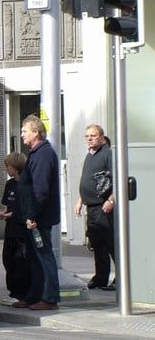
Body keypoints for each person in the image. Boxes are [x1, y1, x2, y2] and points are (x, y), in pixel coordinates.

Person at [13, 115, 60, 311]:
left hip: (39, 218)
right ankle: (34, 295)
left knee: (44, 256)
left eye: (24, 131)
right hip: (32, 216)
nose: (21, 134)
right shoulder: (36, 153)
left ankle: (50, 297)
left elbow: (40, 190)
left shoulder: (43, 154)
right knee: (34, 258)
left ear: (36, 132)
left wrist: (32, 216)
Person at [74, 124, 116, 291]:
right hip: (91, 206)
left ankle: (121, 278)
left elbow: (117, 179)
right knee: (98, 245)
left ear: (102, 137)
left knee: (110, 244)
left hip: (103, 207)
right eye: (87, 136)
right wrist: (80, 200)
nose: (89, 139)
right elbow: (88, 180)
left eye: (93, 135)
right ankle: (100, 278)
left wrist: (111, 200)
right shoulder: (90, 155)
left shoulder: (107, 154)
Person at [0, 152, 31, 306]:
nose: (6, 169)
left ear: (16, 167)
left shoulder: (27, 184)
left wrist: (12, 214)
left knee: (20, 262)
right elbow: (9, 204)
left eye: (8, 167)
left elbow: (25, 208)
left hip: (21, 230)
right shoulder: (10, 184)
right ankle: (13, 291)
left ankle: (20, 293)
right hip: (10, 229)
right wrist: (5, 213)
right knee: (8, 260)